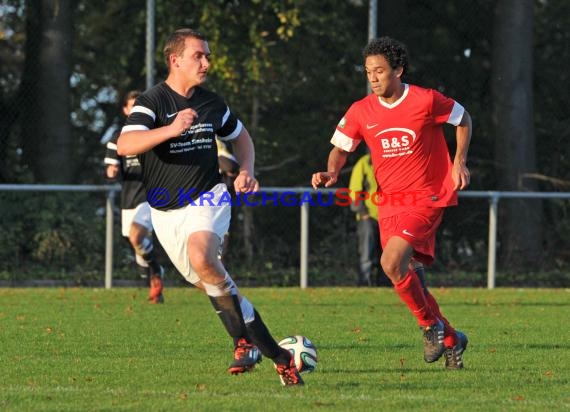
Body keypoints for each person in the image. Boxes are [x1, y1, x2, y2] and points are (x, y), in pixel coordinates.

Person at [117, 28, 303, 386]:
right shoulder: (153, 102)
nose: (206, 62)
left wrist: (246, 169)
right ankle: (280, 358)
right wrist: (169, 130)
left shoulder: (211, 103)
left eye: (208, 56)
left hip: (209, 197)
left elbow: (241, 136)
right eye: (198, 56)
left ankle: (243, 343)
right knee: (216, 285)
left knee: (203, 258)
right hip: (165, 212)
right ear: (175, 60)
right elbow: (127, 144)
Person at [312, 36, 472, 370]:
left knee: (390, 263)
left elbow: (463, 119)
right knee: (406, 274)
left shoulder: (426, 100)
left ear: (398, 70)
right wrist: (331, 172)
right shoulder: (361, 111)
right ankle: (452, 338)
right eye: (368, 71)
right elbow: (341, 148)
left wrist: (458, 162)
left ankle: (430, 327)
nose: (373, 77)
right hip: (391, 203)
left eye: (380, 71)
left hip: (428, 196)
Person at [103, 90, 165, 304]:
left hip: (151, 196)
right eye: (131, 106)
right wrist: (111, 172)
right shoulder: (117, 138)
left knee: (136, 236)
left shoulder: (154, 133)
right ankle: (154, 279)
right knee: (138, 244)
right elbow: (111, 166)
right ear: (125, 110)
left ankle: (156, 271)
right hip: (129, 196)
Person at [348, 151, 390, 287]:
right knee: (367, 254)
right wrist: (362, 211)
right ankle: (365, 284)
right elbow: (355, 189)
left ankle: (384, 284)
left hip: (388, 216)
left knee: (387, 254)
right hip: (368, 216)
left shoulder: (390, 161)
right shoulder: (364, 163)